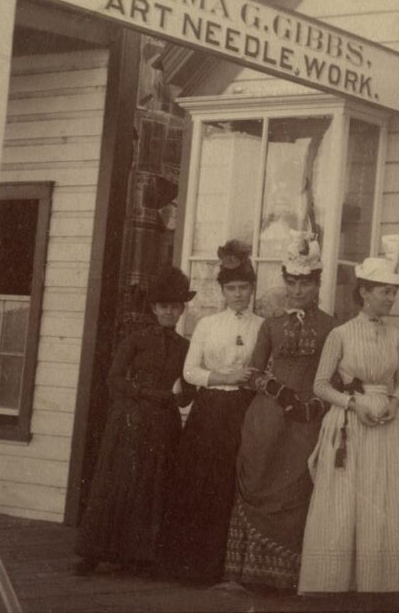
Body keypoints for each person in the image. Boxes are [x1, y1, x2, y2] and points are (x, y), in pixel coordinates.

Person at [298, 231, 399, 594]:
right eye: (385, 291)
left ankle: (377, 583)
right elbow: (321, 385)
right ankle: (335, 582)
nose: (391, 298)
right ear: (365, 293)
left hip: (387, 426)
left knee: (382, 499)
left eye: (394, 291)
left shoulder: (397, 336)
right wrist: (353, 405)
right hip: (351, 423)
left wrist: (394, 404)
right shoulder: (340, 334)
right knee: (345, 501)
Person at [224, 232, 338, 592]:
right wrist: (277, 391)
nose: (297, 289)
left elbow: (336, 377)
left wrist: (313, 406)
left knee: (296, 487)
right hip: (267, 416)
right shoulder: (270, 324)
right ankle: (247, 574)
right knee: (258, 478)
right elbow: (253, 374)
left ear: (317, 284)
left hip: (307, 419)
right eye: (291, 282)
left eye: (305, 282)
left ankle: (289, 578)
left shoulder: (332, 327)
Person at [74, 266, 194, 576]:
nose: (169, 312)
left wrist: (180, 397)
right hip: (130, 418)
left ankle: (140, 556)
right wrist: (143, 392)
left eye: (175, 307)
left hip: (164, 424)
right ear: (154, 308)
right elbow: (113, 379)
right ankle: (94, 552)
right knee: (118, 482)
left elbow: (188, 391)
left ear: (182, 310)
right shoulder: (136, 339)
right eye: (164, 306)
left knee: (152, 486)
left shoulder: (185, 347)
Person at [161, 239, 263, 584]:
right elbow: (190, 372)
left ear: (251, 289)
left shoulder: (262, 327)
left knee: (230, 481)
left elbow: (267, 369)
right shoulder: (207, 324)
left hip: (243, 409)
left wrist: (249, 378)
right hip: (210, 411)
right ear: (222, 289)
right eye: (231, 287)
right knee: (200, 481)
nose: (237, 294)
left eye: (243, 287)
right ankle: (190, 565)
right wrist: (223, 376)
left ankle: (225, 566)